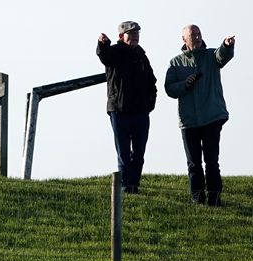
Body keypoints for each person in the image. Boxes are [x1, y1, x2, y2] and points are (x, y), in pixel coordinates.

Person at [165, 25, 235, 206]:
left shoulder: (211, 56)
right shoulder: (175, 63)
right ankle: (197, 197)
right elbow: (169, 88)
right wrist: (184, 85)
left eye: (198, 34)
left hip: (212, 116)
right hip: (188, 121)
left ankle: (214, 197)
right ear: (184, 40)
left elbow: (223, 56)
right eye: (192, 35)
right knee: (193, 163)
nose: (196, 38)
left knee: (211, 160)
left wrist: (227, 45)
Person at [97, 21, 158, 194]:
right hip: (119, 110)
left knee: (138, 154)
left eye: (137, 33)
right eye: (131, 33)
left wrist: (149, 103)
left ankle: (133, 185)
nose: (135, 36)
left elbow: (152, 81)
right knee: (124, 154)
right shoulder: (115, 52)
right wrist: (102, 44)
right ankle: (125, 187)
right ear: (121, 36)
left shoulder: (141, 55)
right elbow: (104, 56)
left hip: (140, 112)